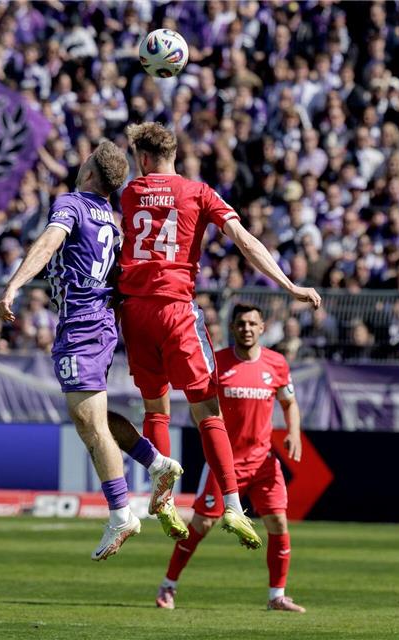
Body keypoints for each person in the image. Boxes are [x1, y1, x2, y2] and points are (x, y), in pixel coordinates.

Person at [118, 122, 321, 550]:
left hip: (134, 312)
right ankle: (231, 504)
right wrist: (288, 285)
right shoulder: (199, 193)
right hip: (175, 309)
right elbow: (245, 242)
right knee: (207, 410)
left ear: (143, 159)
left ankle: (165, 496)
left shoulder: (131, 193)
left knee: (155, 408)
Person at [0, 140, 187, 561]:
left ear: (90, 171)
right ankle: (156, 464)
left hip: (82, 323)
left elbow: (49, 242)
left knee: (87, 422)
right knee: (92, 416)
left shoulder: (74, 204)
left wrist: (14, 284)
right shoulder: (112, 219)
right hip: (99, 320)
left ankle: (121, 513)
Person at [155, 304, 307, 613]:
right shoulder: (217, 363)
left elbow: (289, 402)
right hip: (224, 463)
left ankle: (277, 595)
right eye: (241, 323)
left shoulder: (277, 364)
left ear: (262, 327)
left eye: (252, 323)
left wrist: (293, 432)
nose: (247, 328)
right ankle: (168, 585)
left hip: (263, 460)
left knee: (277, 521)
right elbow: (199, 403)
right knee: (202, 524)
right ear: (233, 327)